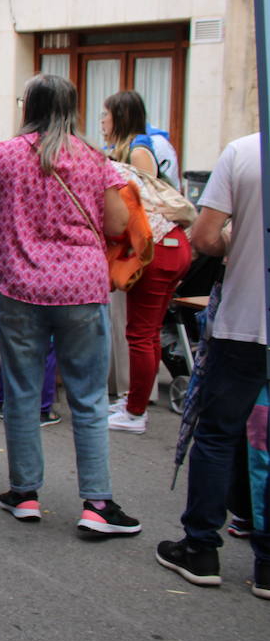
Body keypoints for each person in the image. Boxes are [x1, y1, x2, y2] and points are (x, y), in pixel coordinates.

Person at [0, 73, 141, 536]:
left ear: (30, 108)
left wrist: (19, 230)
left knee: (22, 392)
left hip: (21, 287)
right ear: (72, 109)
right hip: (82, 288)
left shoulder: (0, 156)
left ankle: (24, 494)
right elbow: (120, 223)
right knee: (87, 396)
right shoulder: (95, 158)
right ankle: (97, 504)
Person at [155, 132, 269, 597]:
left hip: (247, 320)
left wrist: (232, 242)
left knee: (219, 434)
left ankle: (202, 547)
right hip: (246, 323)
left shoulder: (245, 152)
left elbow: (203, 237)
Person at [102, 90, 192, 434]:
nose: (102, 121)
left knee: (140, 334)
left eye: (106, 115)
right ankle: (133, 401)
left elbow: (145, 203)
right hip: (165, 247)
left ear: (120, 117)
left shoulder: (138, 150)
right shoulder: (129, 149)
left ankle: (136, 410)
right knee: (145, 332)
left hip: (155, 248)